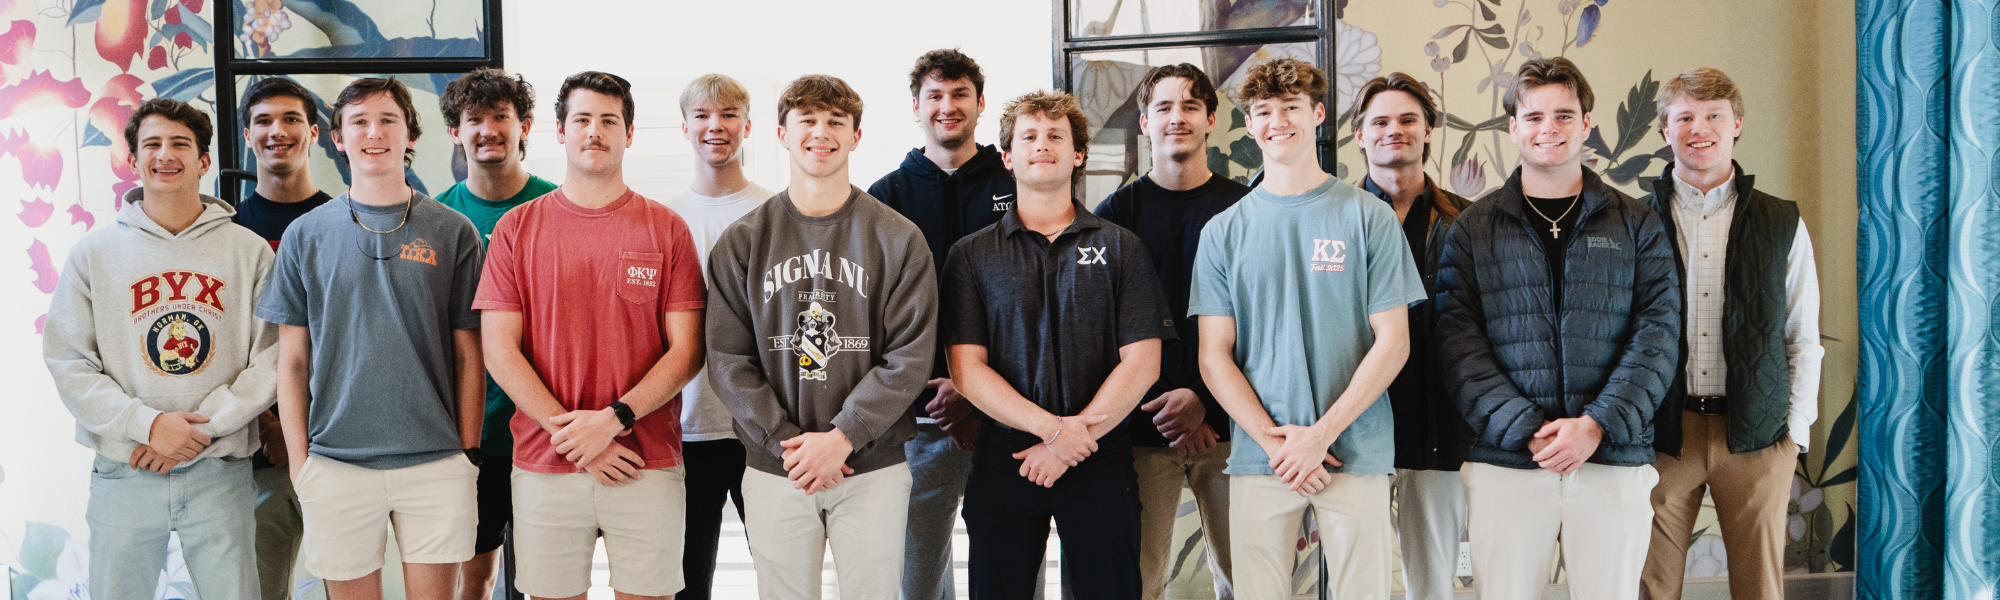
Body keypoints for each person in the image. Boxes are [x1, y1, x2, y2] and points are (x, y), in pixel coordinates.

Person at [1435, 56, 1682, 600]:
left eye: (1565, 115)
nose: (1550, 128)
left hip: (1612, 458)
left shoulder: (1636, 223)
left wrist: (1594, 425)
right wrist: (1528, 429)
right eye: (1535, 116)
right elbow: (1457, 342)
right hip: (1508, 462)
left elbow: (1658, 333)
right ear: (1513, 127)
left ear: (1586, 124)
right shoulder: (1473, 229)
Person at [1187, 58, 1423, 600]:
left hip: (1355, 448)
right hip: (1261, 455)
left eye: (1291, 107)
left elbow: (1394, 341)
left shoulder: (1369, 216)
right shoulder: (1223, 232)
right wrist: (1281, 444)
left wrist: (1318, 437)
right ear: (1249, 123)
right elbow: (1214, 356)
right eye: (1264, 111)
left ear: (1317, 114)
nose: (1278, 121)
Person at [705, 74, 938, 599]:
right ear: (782, 134)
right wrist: (787, 443)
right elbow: (726, 356)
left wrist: (844, 437)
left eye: (836, 121)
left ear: (856, 136)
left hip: (873, 465)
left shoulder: (897, 237)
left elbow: (910, 354)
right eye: (806, 120)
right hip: (776, 466)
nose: (821, 132)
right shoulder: (743, 241)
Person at [476, 70, 706, 600]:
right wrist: (579, 441)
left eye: (609, 120)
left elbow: (687, 351)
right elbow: (498, 349)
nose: (594, 131)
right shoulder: (516, 228)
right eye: (581, 119)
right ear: (558, 131)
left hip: (644, 460)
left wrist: (614, 420)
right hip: (544, 464)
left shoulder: (666, 229)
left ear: (629, 134)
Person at [257, 77, 487, 600]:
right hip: (335, 463)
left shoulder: (453, 231)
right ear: (337, 137)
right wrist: (301, 463)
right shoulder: (305, 235)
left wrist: (467, 454)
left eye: (388, 121)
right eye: (359, 121)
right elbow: (292, 361)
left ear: (411, 136)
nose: (373, 133)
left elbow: (470, 354)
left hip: (436, 462)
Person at [46, 98, 278, 600]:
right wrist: (148, 425)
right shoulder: (94, 255)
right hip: (127, 467)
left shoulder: (249, 251)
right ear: (133, 160)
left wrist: (198, 430)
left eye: (180, 144)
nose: (165, 155)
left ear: (203, 161)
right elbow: (69, 362)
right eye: (152, 144)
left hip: (220, 466)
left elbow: (273, 358)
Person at [945, 89, 1170, 600]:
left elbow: (1143, 361)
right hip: (1006, 456)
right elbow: (967, 371)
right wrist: (1051, 433)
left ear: (1078, 154)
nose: (1041, 144)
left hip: (1101, 453)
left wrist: (1071, 443)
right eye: (1028, 136)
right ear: (1007, 157)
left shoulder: (1120, 246)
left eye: (1055, 136)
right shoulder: (971, 256)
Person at [1638, 66, 1823, 600]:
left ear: (1736, 124)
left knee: (1759, 589)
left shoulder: (1780, 221)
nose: (1701, 128)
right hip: (1662, 434)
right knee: (1650, 586)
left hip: (1757, 435)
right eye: (1685, 117)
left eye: (1714, 115)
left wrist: (1795, 434)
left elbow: (1801, 335)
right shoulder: (1634, 220)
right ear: (1665, 131)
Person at [864, 50, 1018, 600]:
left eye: (959, 95)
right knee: (918, 573)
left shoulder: (1018, 183)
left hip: (1011, 413)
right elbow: (877, 315)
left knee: (1009, 567)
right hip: (919, 416)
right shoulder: (882, 199)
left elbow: (1038, 302)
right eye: (935, 95)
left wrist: (977, 391)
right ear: (916, 106)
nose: (948, 107)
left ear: (979, 103)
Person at [1091, 63, 1245, 600]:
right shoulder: (1114, 215)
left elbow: (1262, 321)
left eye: (1189, 106)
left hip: (1235, 430)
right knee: (1139, 582)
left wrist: (1205, 401)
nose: (1176, 118)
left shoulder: (1245, 209)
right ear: (1143, 122)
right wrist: (1165, 406)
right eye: (1163, 107)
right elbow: (1100, 329)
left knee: (1248, 581)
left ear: (1210, 120)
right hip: (1141, 431)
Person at [434, 66, 556, 600]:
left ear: (524, 126)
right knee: (475, 574)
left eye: (501, 117)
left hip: (546, 426)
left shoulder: (558, 207)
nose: (488, 129)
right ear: (454, 132)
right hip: (469, 430)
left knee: (546, 576)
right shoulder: (436, 217)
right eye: (474, 119)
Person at [1349, 72, 1472, 600]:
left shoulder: (1469, 222)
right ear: (1359, 134)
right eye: (1380, 121)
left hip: (1440, 429)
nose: (1393, 130)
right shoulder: (1333, 220)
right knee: (1358, 581)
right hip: (1356, 429)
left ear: (1428, 132)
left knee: (1434, 585)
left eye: (1407, 120)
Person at [665, 72, 772, 600]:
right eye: (703, 116)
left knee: (783, 572)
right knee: (687, 582)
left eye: (728, 115)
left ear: (747, 125)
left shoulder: (779, 211)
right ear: (684, 127)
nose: (716, 126)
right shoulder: (664, 220)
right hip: (687, 428)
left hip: (766, 426)